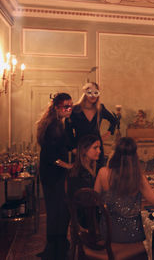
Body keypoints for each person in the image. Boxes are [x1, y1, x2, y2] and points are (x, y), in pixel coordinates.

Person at [94, 137, 154, 257]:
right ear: (135, 156)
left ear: (115, 153)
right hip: (132, 234)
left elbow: (95, 200)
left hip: (107, 232)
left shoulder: (102, 172)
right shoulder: (138, 177)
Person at [36, 93, 73, 259]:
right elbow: (51, 156)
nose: (69, 109)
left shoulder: (59, 123)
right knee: (56, 211)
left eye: (71, 105)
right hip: (52, 173)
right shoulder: (53, 126)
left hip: (53, 173)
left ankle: (57, 247)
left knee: (58, 210)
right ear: (57, 107)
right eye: (66, 106)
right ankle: (54, 250)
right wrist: (68, 166)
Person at [66, 82, 117, 168]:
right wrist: (73, 149)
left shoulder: (100, 108)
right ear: (85, 93)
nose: (93, 95)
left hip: (97, 149)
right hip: (80, 148)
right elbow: (68, 132)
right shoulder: (75, 109)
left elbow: (114, 120)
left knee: (97, 174)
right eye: (90, 92)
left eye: (95, 92)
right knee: (80, 176)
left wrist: (108, 134)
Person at [67, 134, 101, 204]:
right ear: (84, 150)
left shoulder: (96, 167)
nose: (99, 151)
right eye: (95, 148)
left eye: (99, 147)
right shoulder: (79, 172)